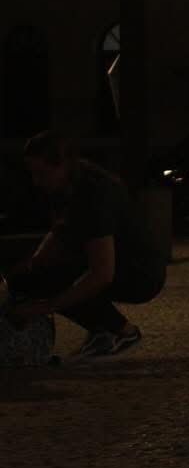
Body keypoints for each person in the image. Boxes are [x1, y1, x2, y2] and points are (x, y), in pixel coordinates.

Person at [1, 131, 165, 359]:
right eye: (32, 173)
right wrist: (31, 266)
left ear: (62, 165)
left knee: (57, 279)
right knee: (35, 276)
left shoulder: (93, 196)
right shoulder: (65, 184)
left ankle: (121, 331)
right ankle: (102, 331)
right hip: (116, 262)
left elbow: (101, 274)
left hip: (142, 272)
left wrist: (44, 307)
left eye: (41, 173)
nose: (36, 181)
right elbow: (59, 231)